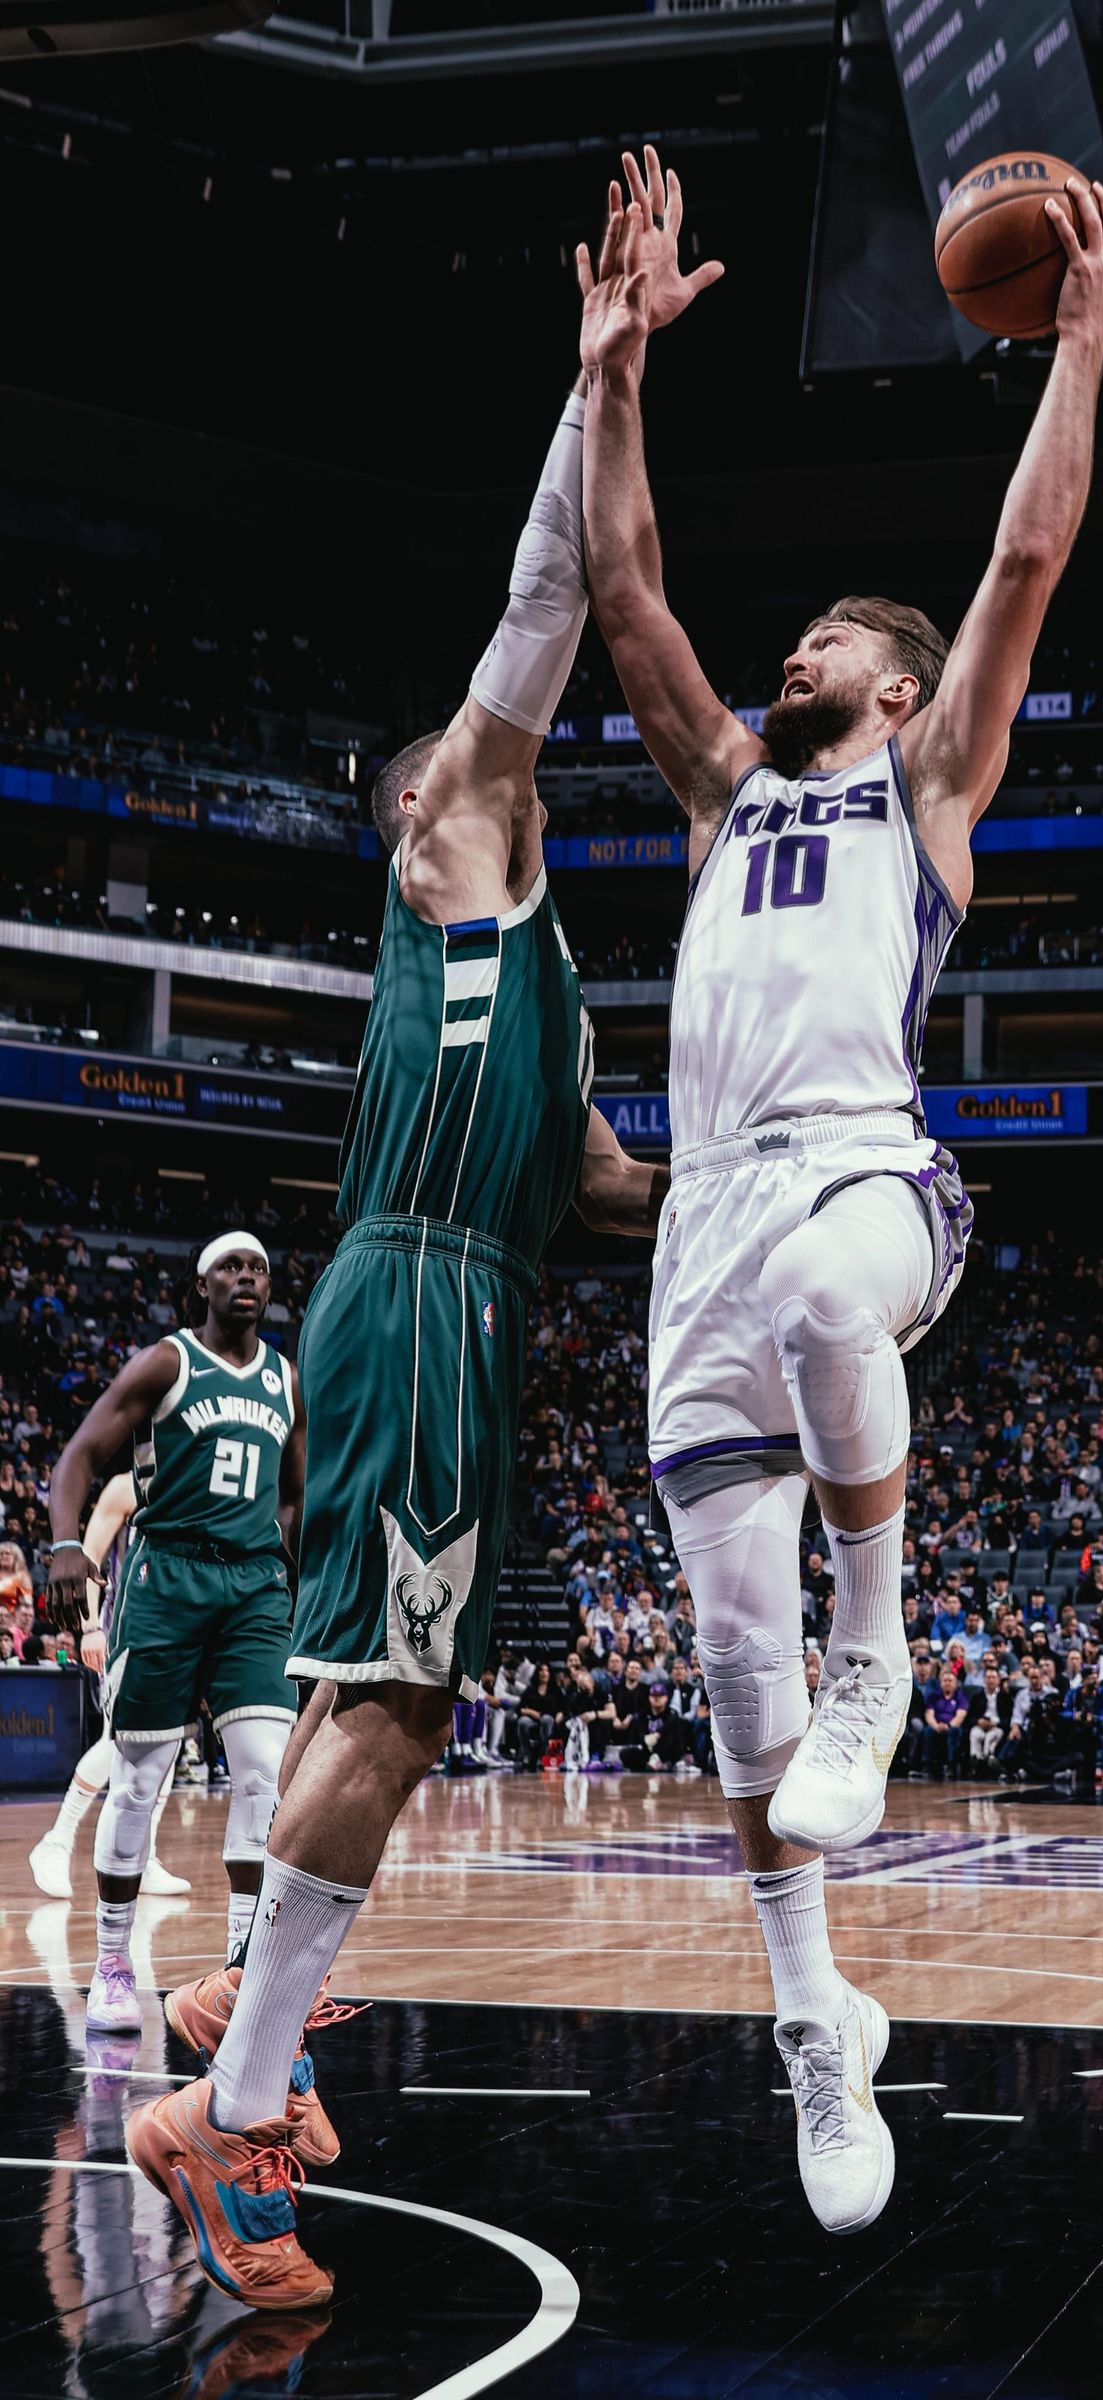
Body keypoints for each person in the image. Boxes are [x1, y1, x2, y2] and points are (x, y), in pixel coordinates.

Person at [123, 166, 696, 2313]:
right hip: (407, 1298)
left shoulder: (547, 986)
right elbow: (562, 593)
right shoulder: (450, 839)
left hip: (477, 1305)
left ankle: (235, 2054)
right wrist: (602, 376)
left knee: (402, 1709)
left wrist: (808, 1181)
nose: (509, 744)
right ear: (423, 804)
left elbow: (611, 1195)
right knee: (383, 1710)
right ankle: (229, 2106)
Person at [580, 145, 1103, 2233]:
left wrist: (1074, 340)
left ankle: (884, 1656)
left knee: (834, 1305)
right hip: (698, 1224)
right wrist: (611, 372)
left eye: (820, 637)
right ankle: (816, 2022)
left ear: (886, 688)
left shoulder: (925, 778)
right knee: (731, 1669)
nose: (782, 649)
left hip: (866, 1174)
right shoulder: (724, 791)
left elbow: (1022, 565)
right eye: (792, 635)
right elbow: (627, 596)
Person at [46, 1236, 305, 2039]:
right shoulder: (168, 1362)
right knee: (140, 1779)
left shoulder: (286, 1377)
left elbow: (296, 1494)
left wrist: (294, 1569)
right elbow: (81, 1455)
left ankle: (240, 1966)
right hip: (170, 1581)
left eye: (259, 1268)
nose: (247, 1279)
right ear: (201, 1283)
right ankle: (113, 1963)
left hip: (254, 1586)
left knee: (265, 1773)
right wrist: (66, 1547)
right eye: (231, 1268)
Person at [28, 1471, 189, 1901]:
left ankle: (146, 1857)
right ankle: (57, 1840)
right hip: (126, 1627)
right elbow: (91, 1558)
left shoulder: (194, 1475)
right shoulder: (127, 1485)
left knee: (168, 1744)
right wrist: (91, 1628)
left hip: (181, 1633)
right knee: (118, 1740)